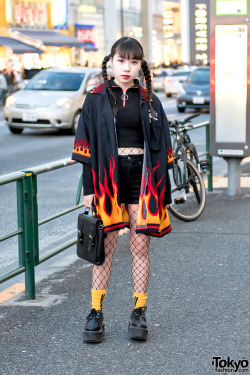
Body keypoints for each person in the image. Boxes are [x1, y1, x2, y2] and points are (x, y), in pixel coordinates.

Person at [72, 37, 173, 343]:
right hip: (107, 180)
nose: (127, 67)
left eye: (133, 61)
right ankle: (95, 313)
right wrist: (89, 188)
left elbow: (164, 146)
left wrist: (163, 191)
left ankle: (139, 312)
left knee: (140, 249)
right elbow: (85, 145)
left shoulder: (150, 100)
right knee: (105, 250)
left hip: (143, 181)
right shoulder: (95, 98)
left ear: (141, 65)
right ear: (111, 62)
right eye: (121, 60)